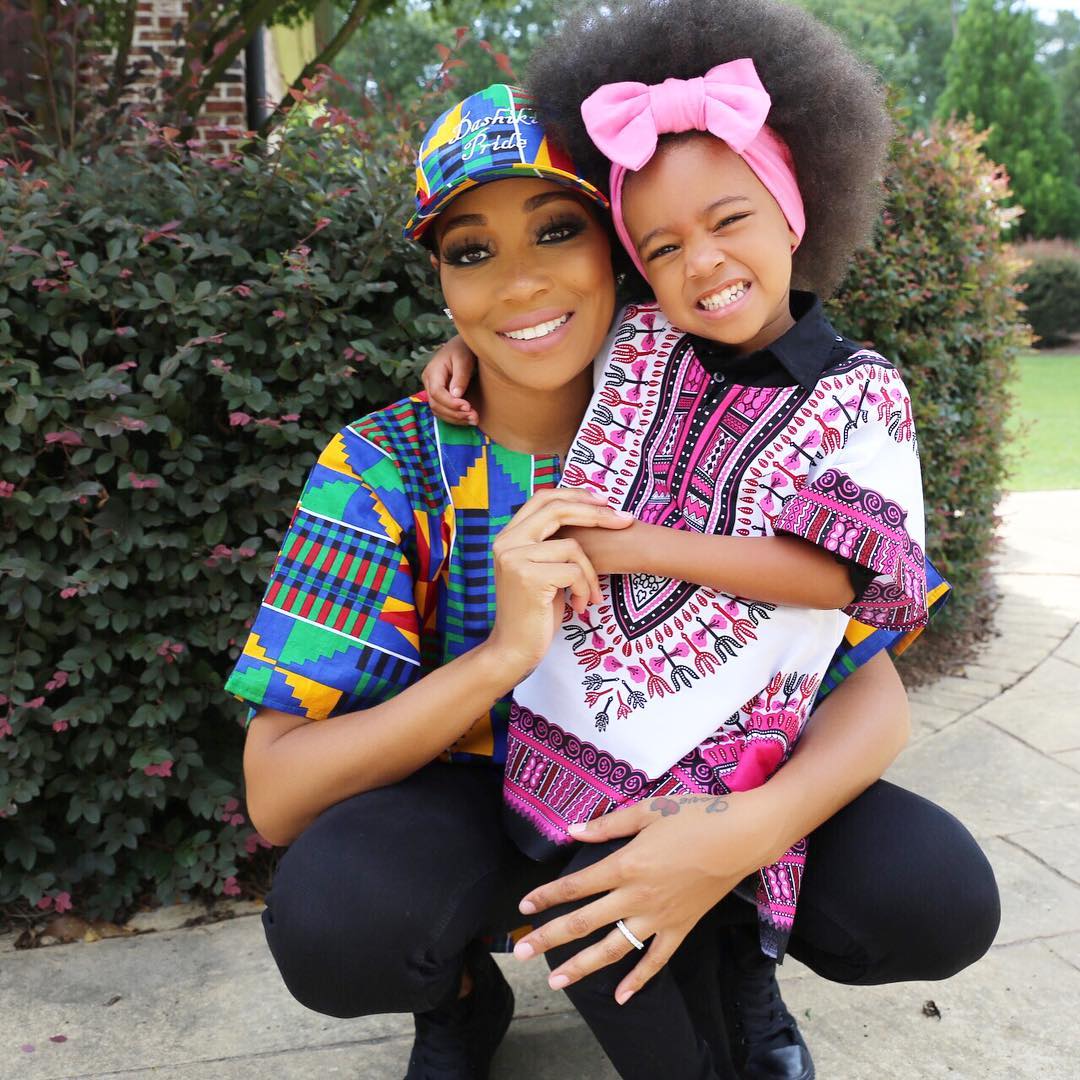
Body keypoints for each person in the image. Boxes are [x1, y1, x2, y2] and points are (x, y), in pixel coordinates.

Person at [227, 83, 998, 1080]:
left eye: (558, 231)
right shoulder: (386, 468)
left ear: (618, 254)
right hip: (470, 809)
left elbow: (873, 691)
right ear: (443, 285)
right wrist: (507, 653)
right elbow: (278, 795)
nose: (516, 284)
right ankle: (460, 1001)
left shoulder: (716, 414)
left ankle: (732, 954)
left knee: (930, 897)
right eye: (471, 252)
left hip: (698, 788)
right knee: (341, 920)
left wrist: (743, 833)